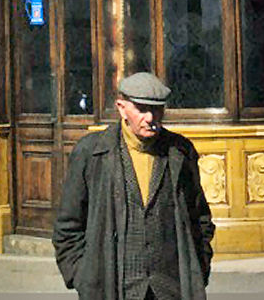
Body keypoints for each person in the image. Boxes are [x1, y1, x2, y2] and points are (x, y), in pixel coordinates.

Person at [53, 71, 215, 300]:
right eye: (142, 109)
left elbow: (201, 220)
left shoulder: (180, 152)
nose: (150, 117)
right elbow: (68, 226)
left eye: (157, 110)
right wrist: (82, 277)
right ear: (121, 108)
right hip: (112, 288)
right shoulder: (92, 153)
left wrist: (198, 268)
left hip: (171, 288)